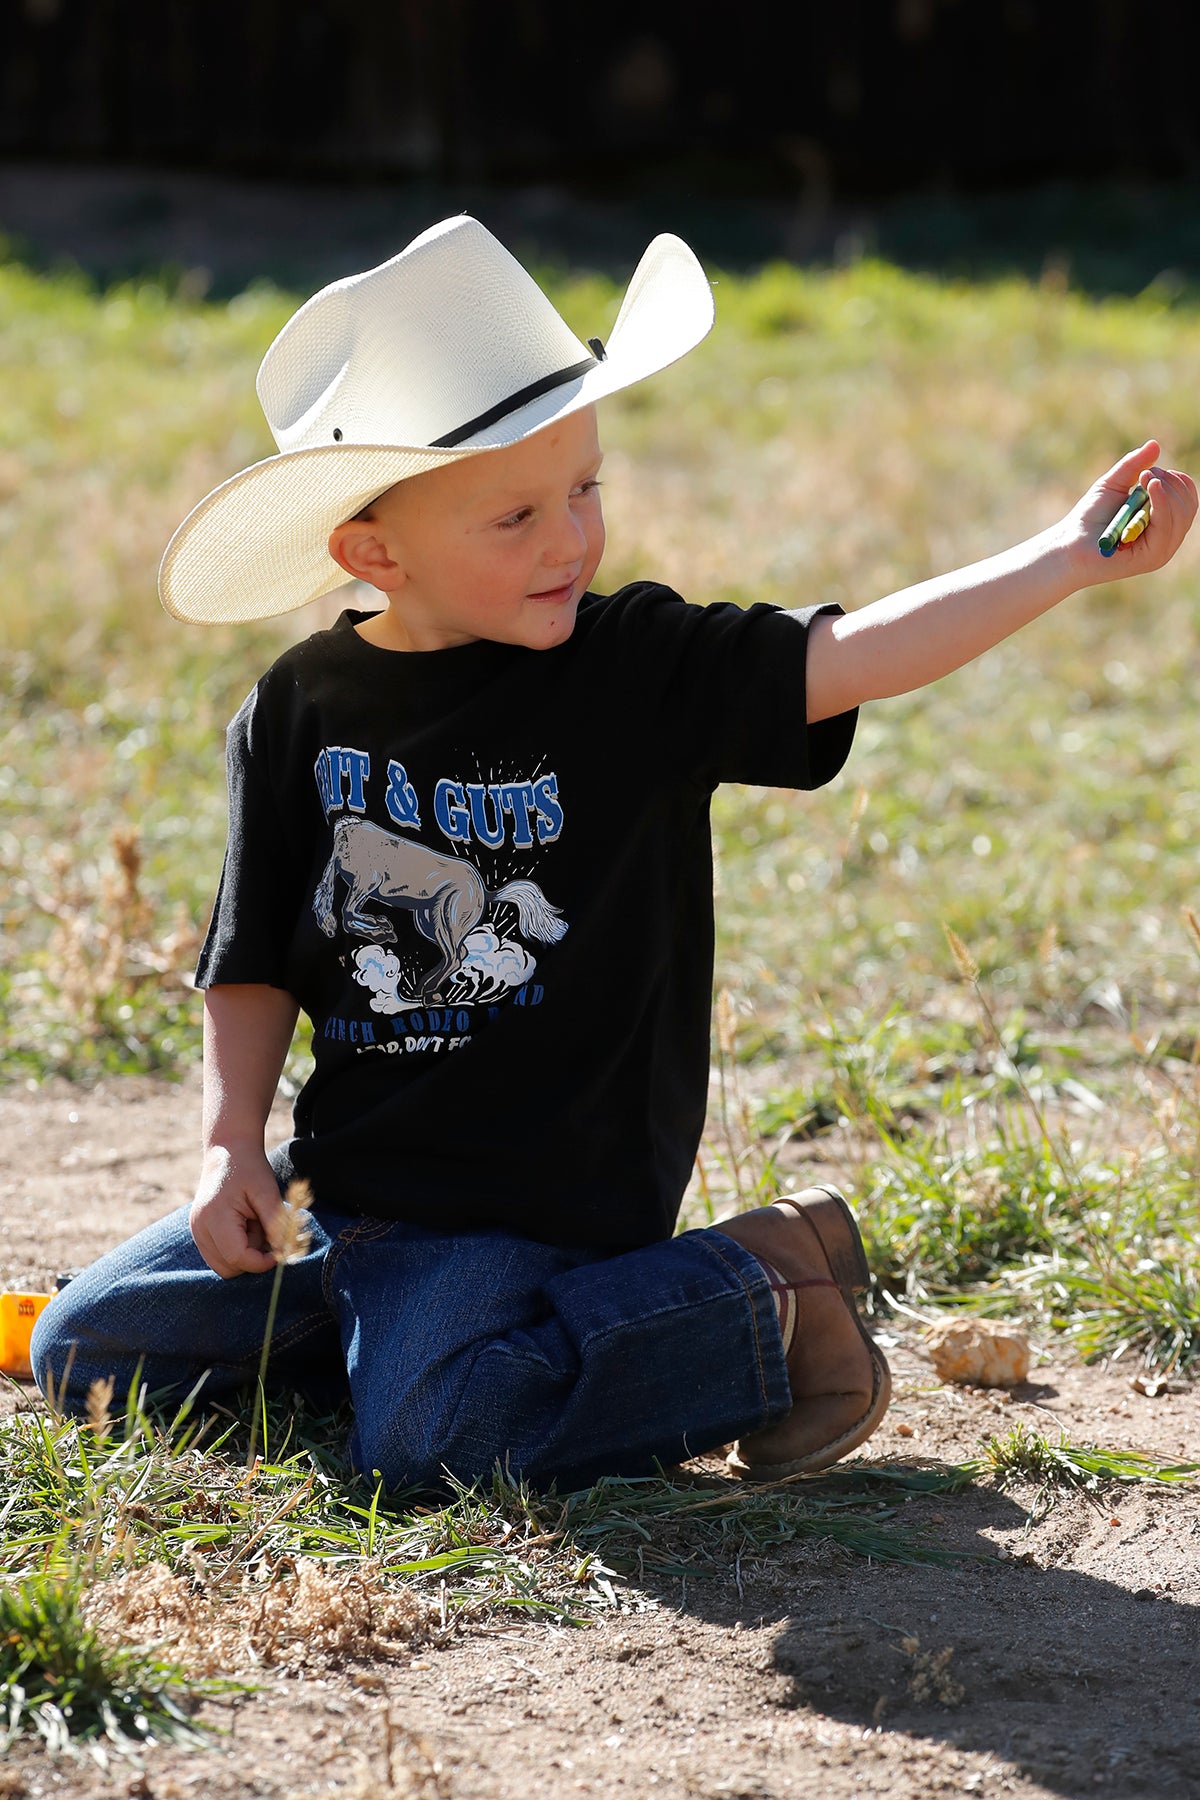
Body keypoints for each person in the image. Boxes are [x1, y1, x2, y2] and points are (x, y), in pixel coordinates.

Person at [33, 217, 1196, 1493]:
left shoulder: (636, 666)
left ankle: (757, 1290)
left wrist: (1066, 559)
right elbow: (251, 951)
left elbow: (853, 652)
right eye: (516, 514)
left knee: (437, 1445)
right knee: (87, 1351)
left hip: (534, 1206)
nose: (570, 541)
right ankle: (440, 1359)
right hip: (346, 1195)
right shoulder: (300, 706)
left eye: (586, 489)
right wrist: (228, 1147)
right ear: (374, 553)